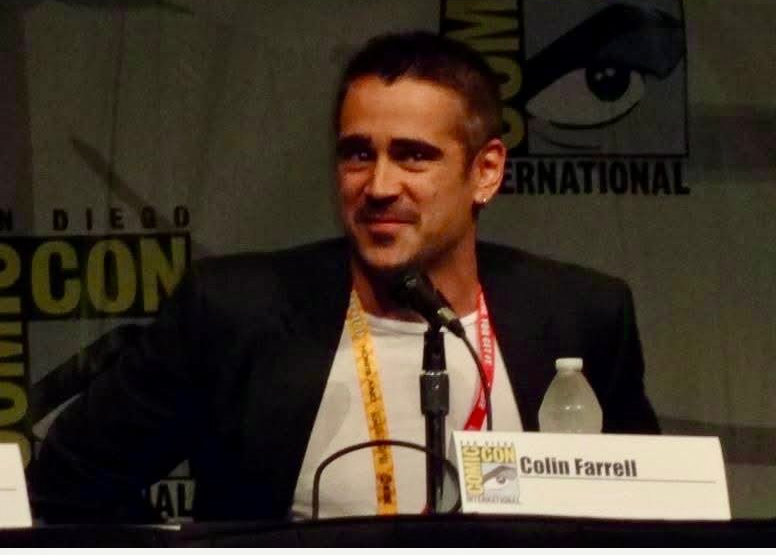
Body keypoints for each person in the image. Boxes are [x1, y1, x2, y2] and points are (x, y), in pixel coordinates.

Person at [28, 31, 658, 523]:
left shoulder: (582, 314)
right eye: (359, 153)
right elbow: (71, 476)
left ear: (486, 171)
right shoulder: (232, 310)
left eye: (413, 155)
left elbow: (652, 516)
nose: (379, 186)